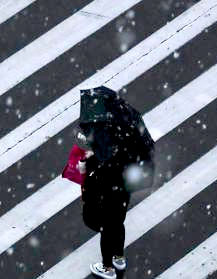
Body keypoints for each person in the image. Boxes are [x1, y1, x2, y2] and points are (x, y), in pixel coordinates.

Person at [76, 86, 155, 279]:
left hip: (109, 184)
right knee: (118, 221)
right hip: (125, 184)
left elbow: (106, 159)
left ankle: (107, 267)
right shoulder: (129, 130)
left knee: (107, 226)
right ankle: (119, 257)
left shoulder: (107, 134)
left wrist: (88, 163)